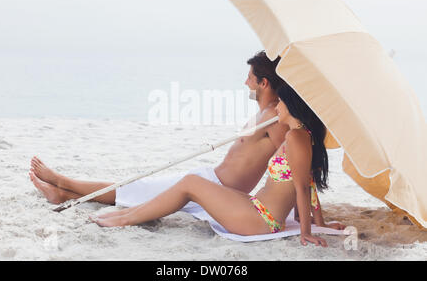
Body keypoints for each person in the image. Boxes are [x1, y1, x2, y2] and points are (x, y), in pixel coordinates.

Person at [89, 84, 344, 246]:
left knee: (191, 183)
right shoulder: (299, 135)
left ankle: (125, 219)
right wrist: (318, 222)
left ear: (294, 107)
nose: (276, 107)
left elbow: (302, 187)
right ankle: (124, 215)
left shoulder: (297, 137)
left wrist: (307, 232)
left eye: (281, 102)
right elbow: (309, 182)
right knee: (194, 183)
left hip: (262, 219)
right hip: (257, 207)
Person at [29, 51, 289, 208]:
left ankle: (63, 185)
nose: (245, 82)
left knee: (137, 190)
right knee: (140, 190)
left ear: (263, 83)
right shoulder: (265, 114)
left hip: (218, 188)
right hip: (210, 179)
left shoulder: (274, 118)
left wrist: (308, 214)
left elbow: (291, 164)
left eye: (250, 78)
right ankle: (63, 193)